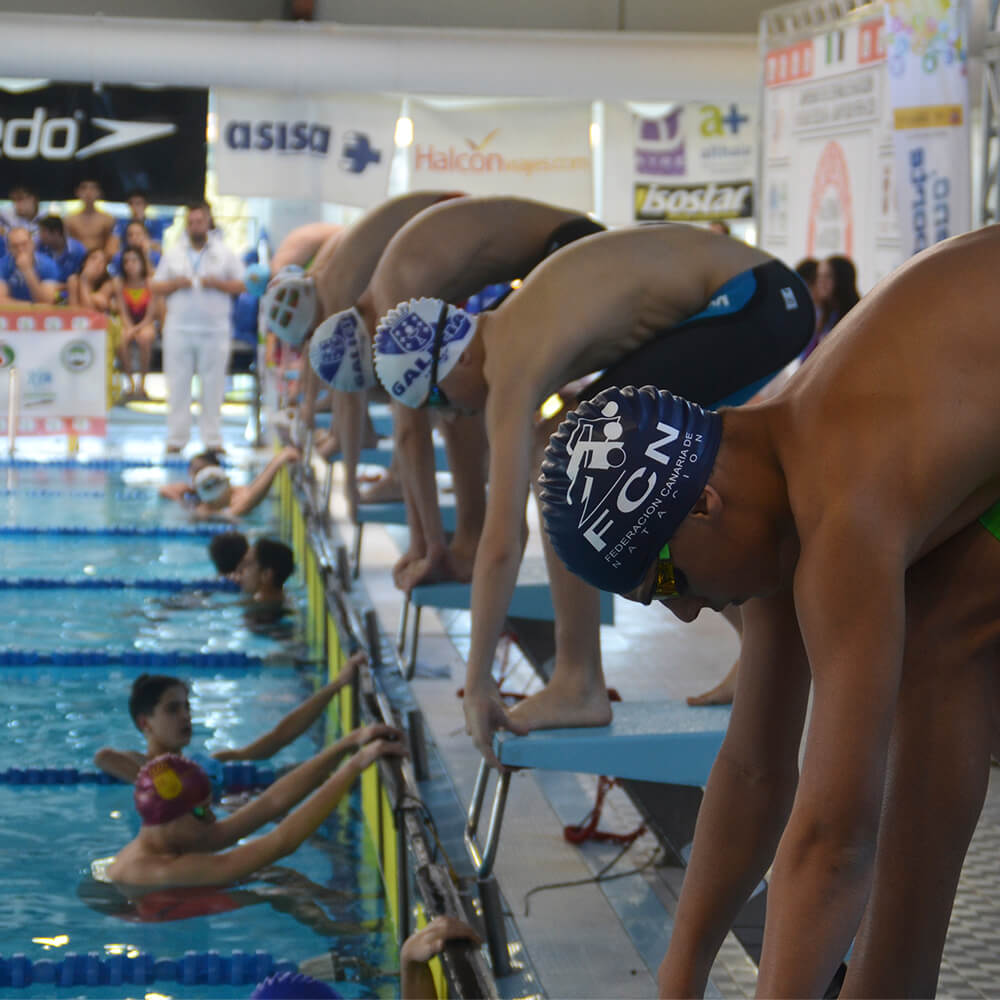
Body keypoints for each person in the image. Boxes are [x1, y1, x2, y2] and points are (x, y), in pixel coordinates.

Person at [537, 225, 1000, 997]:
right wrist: (678, 979)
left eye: (667, 584)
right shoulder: (774, 460)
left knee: (940, 641)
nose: (686, 617)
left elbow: (835, 840)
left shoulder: (843, 505)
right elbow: (753, 772)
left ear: (701, 507)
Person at [372, 222, 814, 766]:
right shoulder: (516, 332)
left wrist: (478, 676)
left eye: (440, 397)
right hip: (755, 299)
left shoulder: (509, 363)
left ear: (460, 358)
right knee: (559, 447)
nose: (452, 414)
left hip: (753, 301)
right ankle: (740, 646)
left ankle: (579, 679)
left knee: (563, 457)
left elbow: (505, 538)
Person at [358, 195, 604, 588]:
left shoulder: (395, 308)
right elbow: (412, 430)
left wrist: (430, 546)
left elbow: (410, 434)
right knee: (468, 410)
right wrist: (424, 544)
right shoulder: (378, 298)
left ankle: (480, 543)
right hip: (561, 251)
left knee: (523, 433)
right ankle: (476, 539)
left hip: (574, 249)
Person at [105, 734, 406, 892]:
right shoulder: (160, 870)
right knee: (273, 887)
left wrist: (347, 746)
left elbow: (270, 804)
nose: (211, 819)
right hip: (144, 912)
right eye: (202, 811)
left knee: (277, 880)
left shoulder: (171, 836)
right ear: (169, 816)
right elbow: (281, 843)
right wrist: (354, 767)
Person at [93, 651, 366, 783]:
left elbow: (277, 739)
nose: (185, 716)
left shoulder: (210, 763)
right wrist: (163, 781)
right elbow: (104, 757)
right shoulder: (144, 765)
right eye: (173, 709)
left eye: (186, 707)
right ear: (145, 723)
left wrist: (336, 685)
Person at [151, 201, 245, 454]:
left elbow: (243, 284)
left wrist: (219, 284)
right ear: (186, 224)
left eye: (200, 221)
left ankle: (212, 439)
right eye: (191, 222)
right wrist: (175, 284)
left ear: (208, 222)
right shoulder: (174, 252)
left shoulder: (224, 253)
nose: (195, 226)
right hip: (179, 329)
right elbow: (156, 286)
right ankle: (177, 438)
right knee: (177, 386)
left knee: (213, 387)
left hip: (214, 330)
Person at [183, 446, 301, 520]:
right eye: (193, 470)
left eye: (200, 470)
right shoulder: (202, 508)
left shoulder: (234, 492)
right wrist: (279, 460)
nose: (197, 475)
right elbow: (249, 500)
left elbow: (251, 494)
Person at [113, 246, 161, 400]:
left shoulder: (150, 283)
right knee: (121, 339)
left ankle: (143, 383)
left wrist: (138, 328)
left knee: (145, 338)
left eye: (134, 260)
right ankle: (130, 383)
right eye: (126, 261)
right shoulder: (120, 283)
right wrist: (130, 329)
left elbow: (151, 314)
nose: (130, 265)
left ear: (141, 262)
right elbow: (123, 311)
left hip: (146, 322)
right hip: (128, 322)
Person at [0, 225, 59, 304]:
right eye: (15, 246)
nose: (20, 249)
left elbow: (47, 301)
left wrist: (28, 271)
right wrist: (30, 306)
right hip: (12, 313)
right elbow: (1, 300)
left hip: (41, 314)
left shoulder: (48, 264)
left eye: (24, 244)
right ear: (9, 248)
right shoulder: (2, 265)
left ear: (32, 244)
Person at [64, 178, 117, 255]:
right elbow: (65, 246)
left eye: (92, 188)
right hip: (76, 260)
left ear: (99, 192)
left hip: (100, 260)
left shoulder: (108, 219)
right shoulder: (69, 220)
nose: (88, 192)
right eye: (84, 188)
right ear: (77, 192)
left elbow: (112, 246)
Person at [36, 215, 87, 294]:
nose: (40, 236)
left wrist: (60, 286)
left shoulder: (78, 251)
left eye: (43, 232)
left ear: (56, 233)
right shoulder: (39, 247)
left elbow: (82, 279)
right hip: (45, 291)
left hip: (71, 291)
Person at [67, 248, 114, 312]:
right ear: (84, 262)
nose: (97, 263)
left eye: (102, 261)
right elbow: (73, 311)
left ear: (105, 270)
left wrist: (84, 280)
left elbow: (90, 310)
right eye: (93, 258)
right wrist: (94, 299)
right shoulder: (74, 279)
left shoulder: (108, 284)